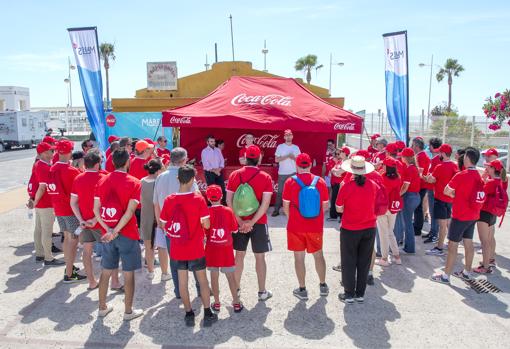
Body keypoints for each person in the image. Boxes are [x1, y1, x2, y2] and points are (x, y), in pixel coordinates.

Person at [159, 165, 218, 327]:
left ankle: (189, 313)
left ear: (178, 178)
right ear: (193, 180)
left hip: (178, 248)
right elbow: (206, 225)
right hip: (196, 247)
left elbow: (163, 224)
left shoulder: (169, 200)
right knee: (203, 281)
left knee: (183, 283)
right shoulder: (198, 199)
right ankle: (207, 313)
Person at [93, 148, 143, 321]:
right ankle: (128, 311)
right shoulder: (135, 182)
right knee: (128, 273)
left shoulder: (102, 180)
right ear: (128, 161)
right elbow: (129, 213)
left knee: (105, 271)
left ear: (112, 161)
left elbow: (95, 210)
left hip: (107, 233)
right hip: (127, 233)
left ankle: (102, 307)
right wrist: (116, 230)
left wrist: (108, 229)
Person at [70, 150, 123, 291]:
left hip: (85, 222)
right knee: (111, 252)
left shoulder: (78, 178)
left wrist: (81, 220)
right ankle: (115, 282)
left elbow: (73, 202)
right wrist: (95, 219)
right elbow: (109, 201)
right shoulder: (105, 177)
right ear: (98, 163)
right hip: (102, 222)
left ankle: (92, 281)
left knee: (87, 252)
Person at [226, 145, 274, 301]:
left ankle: (236, 291)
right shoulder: (265, 177)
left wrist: (240, 221)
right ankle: (262, 292)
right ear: (259, 158)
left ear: (245, 158)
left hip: (239, 222)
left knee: (238, 256)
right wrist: (252, 222)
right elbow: (265, 204)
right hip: (259, 222)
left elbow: (228, 200)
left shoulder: (234, 175)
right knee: (260, 257)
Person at [431, 147, 483, 285]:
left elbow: (447, 191)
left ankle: (445, 276)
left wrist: (457, 196)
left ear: (467, 158)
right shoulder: (478, 175)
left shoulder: (462, 175)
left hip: (460, 215)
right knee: (468, 243)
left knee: (452, 246)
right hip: (473, 215)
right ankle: (466, 272)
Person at [153, 147, 200, 298]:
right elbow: (197, 198)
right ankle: (201, 289)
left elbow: (155, 203)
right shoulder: (188, 176)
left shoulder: (160, 177)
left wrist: (160, 222)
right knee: (195, 258)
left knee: (175, 260)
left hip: (169, 226)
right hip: (189, 225)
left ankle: (179, 291)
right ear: (184, 160)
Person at [282, 153, 329, 300]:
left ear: (297, 165)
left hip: (296, 226)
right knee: (318, 255)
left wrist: (293, 219)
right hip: (315, 226)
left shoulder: (290, 181)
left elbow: (285, 206)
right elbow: (325, 206)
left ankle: (302, 289)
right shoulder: (319, 181)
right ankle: (323, 286)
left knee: (299, 258)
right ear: (310, 165)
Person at [336, 156, 377, 304]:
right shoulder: (373, 185)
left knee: (348, 261)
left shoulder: (346, 186)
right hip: (369, 227)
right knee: (364, 261)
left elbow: (339, 208)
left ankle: (349, 294)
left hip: (350, 228)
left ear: (351, 170)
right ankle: (360, 293)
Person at [48, 140, 85, 282]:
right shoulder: (71, 171)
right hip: (70, 210)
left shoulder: (53, 167)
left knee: (66, 238)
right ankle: (69, 273)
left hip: (58, 208)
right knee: (73, 241)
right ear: (69, 152)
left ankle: (69, 267)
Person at [204, 185, 243, 313]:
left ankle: (216, 303)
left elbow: (205, 230)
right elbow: (234, 229)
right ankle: (236, 302)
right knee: (230, 276)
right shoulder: (228, 211)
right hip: (226, 249)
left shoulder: (206, 213)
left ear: (208, 198)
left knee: (214, 277)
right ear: (221, 196)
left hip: (212, 249)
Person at [31, 142, 63, 265]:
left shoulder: (40, 164)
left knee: (39, 229)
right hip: (45, 204)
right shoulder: (43, 166)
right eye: (51, 151)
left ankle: (40, 253)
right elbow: (42, 187)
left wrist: (34, 201)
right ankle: (48, 258)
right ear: (44, 153)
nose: (53, 153)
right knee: (46, 231)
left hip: (41, 204)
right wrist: (36, 201)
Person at [425, 144, 458, 256]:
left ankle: (439, 248)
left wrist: (427, 176)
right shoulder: (454, 166)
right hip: (450, 199)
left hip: (440, 198)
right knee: (448, 223)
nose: (438, 154)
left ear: (443, 154)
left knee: (442, 225)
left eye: (440, 153)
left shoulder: (440, 166)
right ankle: (450, 244)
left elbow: (431, 180)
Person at [140, 158, 170, 281]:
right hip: (159, 217)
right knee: (162, 247)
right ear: (158, 170)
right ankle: (164, 273)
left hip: (146, 217)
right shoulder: (160, 181)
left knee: (148, 246)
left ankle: (150, 271)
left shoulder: (141, 181)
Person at [474, 160, 504, 274]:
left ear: (493, 169)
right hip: (492, 214)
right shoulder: (499, 181)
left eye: (488, 167)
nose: (486, 169)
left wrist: (482, 178)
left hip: (484, 213)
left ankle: (485, 267)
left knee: (484, 241)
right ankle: (488, 260)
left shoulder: (491, 182)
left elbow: (480, 192)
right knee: (489, 239)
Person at [376, 157, 402, 266]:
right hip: (393, 207)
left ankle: (384, 259)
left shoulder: (382, 177)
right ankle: (397, 256)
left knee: (383, 233)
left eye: (384, 165)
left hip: (383, 207)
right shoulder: (398, 177)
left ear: (387, 167)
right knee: (390, 232)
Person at [272, 129, 301, 217]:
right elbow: (276, 160)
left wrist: (293, 158)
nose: (288, 136)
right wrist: (287, 156)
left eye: (290, 135)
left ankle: (291, 210)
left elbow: (300, 160)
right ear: (284, 137)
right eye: (287, 135)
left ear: (292, 136)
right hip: (282, 173)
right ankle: (276, 210)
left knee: (293, 192)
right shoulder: (280, 147)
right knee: (280, 192)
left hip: (293, 173)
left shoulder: (296, 147)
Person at [422, 137, 443, 243]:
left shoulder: (437, 160)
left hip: (433, 189)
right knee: (432, 212)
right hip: (432, 188)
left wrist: (424, 176)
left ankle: (434, 234)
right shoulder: (435, 159)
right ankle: (432, 231)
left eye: (429, 145)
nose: (428, 147)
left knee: (433, 212)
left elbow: (433, 177)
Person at [412, 137, 431, 236]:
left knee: (418, 207)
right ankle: (417, 226)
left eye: (413, 145)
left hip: (421, 185)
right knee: (418, 207)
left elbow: (420, 172)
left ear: (417, 146)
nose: (412, 147)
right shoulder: (422, 155)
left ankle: (417, 228)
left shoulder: (420, 156)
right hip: (422, 184)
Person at [201, 135, 226, 203]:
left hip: (219, 171)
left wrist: (219, 169)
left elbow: (222, 160)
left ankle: (222, 204)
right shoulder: (204, 151)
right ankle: (211, 205)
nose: (213, 143)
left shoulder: (218, 150)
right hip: (210, 173)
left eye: (214, 141)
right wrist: (215, 171)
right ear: (207, 142)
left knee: (222, 189)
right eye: (211, 141)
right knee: (211, 189)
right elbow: (206, 164)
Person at [327, 147, 349, 221]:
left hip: (342, 184)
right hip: (336, 183)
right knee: (334, 199)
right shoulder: (340, 161)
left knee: (341, 200)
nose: (340, 153)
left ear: (345, 153)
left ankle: (342, 216)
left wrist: (336, 171)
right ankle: (334, 216)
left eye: (341, 152)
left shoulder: (347, 162)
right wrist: (336, 171)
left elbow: (340, 172)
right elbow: (332, 169)